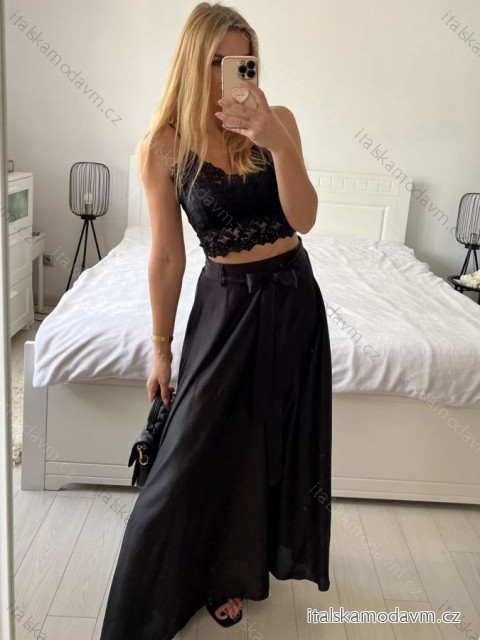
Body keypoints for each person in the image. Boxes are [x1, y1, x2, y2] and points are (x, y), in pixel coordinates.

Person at [99, 3, 332, 639]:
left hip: (293, 298)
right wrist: (160, 348)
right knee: (191, 451)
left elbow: (305, 218)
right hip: (226, 305)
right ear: (193, 61)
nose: (233, 74)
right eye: (218, 61)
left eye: (243, 61)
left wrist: (276, 142)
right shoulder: (163, 145)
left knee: (265, 441)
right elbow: (167, 256)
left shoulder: (278, 123)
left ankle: (232, 571)